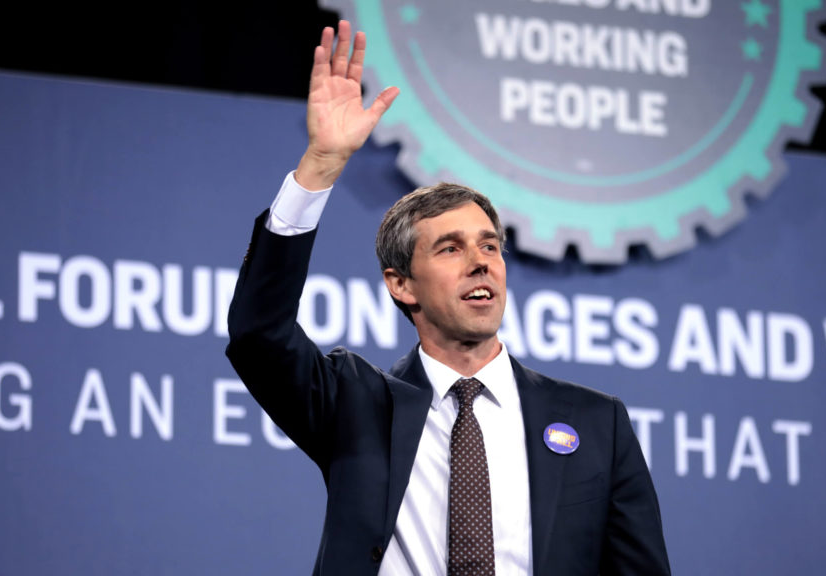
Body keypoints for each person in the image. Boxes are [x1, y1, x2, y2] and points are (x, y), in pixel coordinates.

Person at [226, 20, 670, 576]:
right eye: (451, 248)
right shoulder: (357, 406)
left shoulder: (595, 422)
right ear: (401, 284)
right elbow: (258, 333)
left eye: (490, 245)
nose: (481, 260)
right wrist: (320, 167)